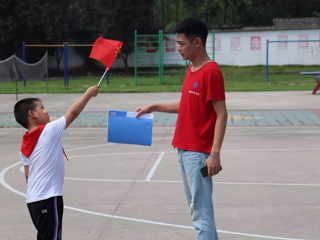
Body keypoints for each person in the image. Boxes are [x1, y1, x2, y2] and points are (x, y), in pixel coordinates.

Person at [135, 17, 228, 240]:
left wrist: (214, 154)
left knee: (201, 213)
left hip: (198, 154)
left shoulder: (211, 72)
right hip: (183, 150)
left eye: (181, 43)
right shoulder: (192, 70)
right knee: (198, 211)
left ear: (197, 42)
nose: (177, 48)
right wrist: (154, 105)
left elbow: (222, 113)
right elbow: (187, 104)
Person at [14, 85, 99, 240]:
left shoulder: (25, 143)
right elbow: (73, 113)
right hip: (48, 197)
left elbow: (28, 175)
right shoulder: (49, 131)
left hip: (33, 200)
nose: (47, 111)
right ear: (32, 114)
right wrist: (88, 94)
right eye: (42, 108)